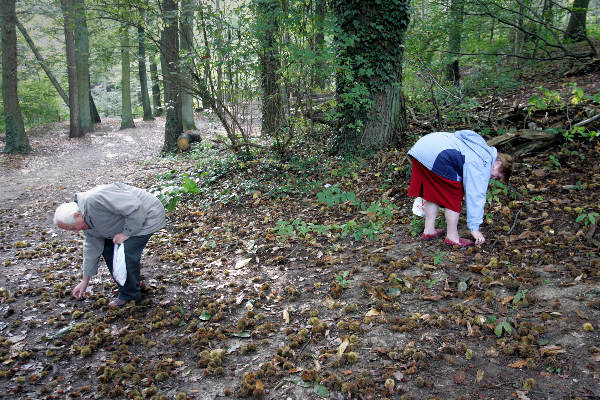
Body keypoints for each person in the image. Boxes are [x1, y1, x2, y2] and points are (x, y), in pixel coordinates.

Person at [53, 182, 166, 307]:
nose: (75, 231)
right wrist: (85, 281)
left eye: (72, 227)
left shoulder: (96, 199)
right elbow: (92, 249)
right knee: (109, 249)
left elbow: (135, 207)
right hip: (128, 221)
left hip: (148, 215)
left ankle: (130, 295)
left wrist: (126, 233)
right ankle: (132, 284)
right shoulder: (86, 220)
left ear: (77, 215)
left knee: (124, 253)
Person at [407, 130, 512, 247]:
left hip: (422, 147)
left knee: (432, 193)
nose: (493, 177)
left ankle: (429, 231)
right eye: (497, 175)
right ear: (498, 162)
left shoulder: (480, 147)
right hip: (439, 155)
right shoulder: (484, 161)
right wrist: (474, 228)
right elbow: (476, 195)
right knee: (454, 196)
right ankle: (452, 237)